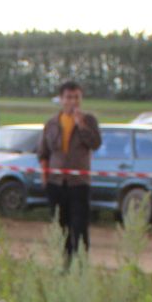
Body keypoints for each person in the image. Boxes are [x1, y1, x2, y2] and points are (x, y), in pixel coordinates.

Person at [37, 81, 103, 267]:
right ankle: (63, 264)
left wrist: (81, 125)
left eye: (76, 97)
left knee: (79, 226)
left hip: (79, 183)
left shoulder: (89, 121)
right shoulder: (51, 124)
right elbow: (43, 153)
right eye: (68, 97)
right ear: (61, 99)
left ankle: (80, 265)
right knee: (60, 227)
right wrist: (45, 180)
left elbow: (95, 144)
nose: (72, 101)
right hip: (56, 183)